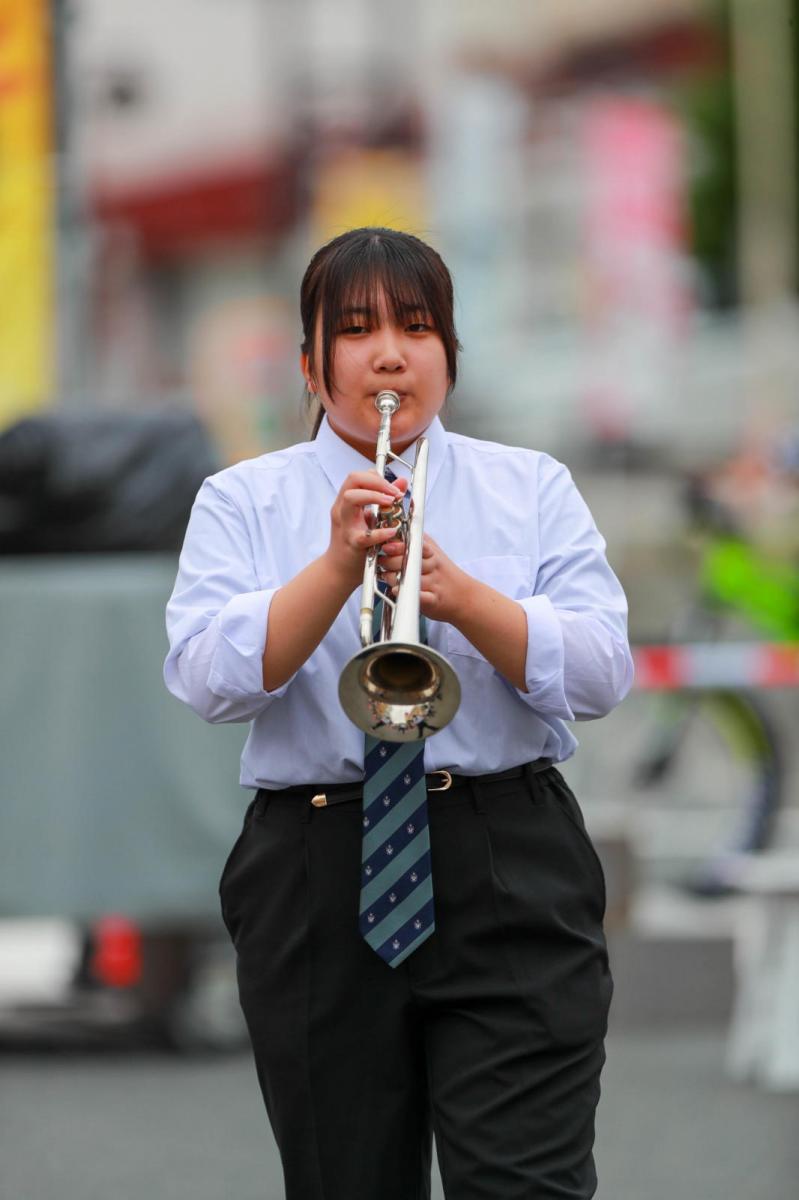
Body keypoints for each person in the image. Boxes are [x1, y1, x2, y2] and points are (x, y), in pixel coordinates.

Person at [164, 227, 634, 1200]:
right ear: (309, 361)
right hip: (315, 867)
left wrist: (464, 600)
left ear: (450, 355)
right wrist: (336, 568)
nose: (389, 354)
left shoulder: (530, 488)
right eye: (356, 329)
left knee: (527, 1184)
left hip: (507, 849)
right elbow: (208, 680)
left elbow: (598, 674)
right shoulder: (241, 501)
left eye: (418, 329)